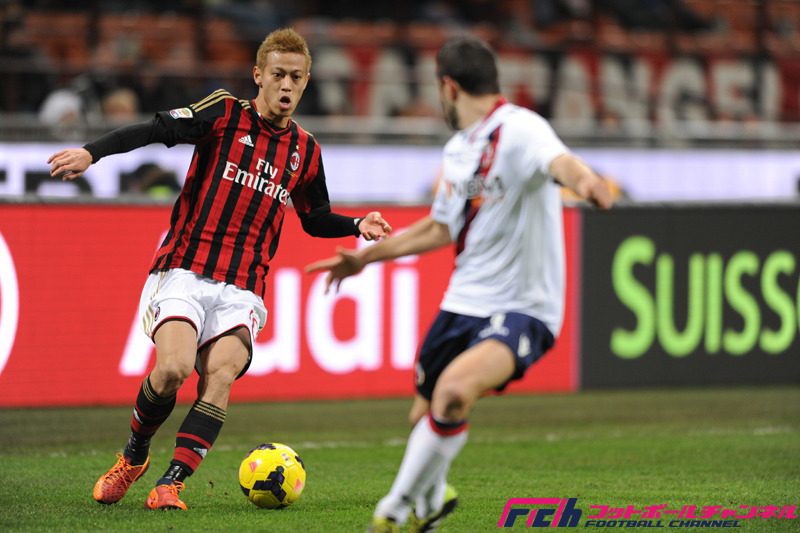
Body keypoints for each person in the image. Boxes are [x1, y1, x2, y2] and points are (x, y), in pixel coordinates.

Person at [47, 28, 392, 511]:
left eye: (296, 77)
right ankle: (134, 455)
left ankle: (171, 483)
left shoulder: (306, 150)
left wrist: (356, 224)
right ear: (258, 75)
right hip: (186, 268)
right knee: (172, 370)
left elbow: (314, 217)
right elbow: (156, 129)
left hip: (244, 286)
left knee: (221, 374)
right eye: (278, 74)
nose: (287, 85)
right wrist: (92, 151)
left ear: (306, 81)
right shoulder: (225, 113)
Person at [305, 37, 612, 533]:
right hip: (463, 303)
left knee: (452, 394)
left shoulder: (520, 128)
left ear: (448, 87)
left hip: (524, 307)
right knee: (422, 419)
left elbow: (560, 163)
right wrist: (364, 257)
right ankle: (431, 506)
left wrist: (589, 184)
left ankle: (393, 512)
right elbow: (439, 228)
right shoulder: (458, 150)